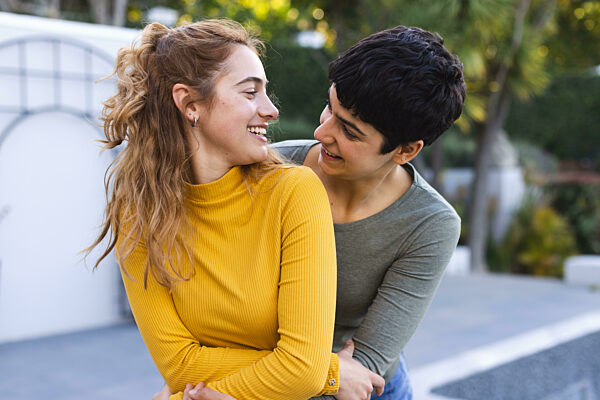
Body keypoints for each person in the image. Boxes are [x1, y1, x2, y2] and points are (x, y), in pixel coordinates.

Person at [87, 19, 383, 400]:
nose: (271, 109)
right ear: (190, 103)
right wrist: (326, 370)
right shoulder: (138, 212)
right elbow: (177, 365)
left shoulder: (294, 193)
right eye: (250, 93)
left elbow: (301, 369)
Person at [177, 25, 466, 400]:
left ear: (405, 151)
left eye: (350, 131)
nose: (322, 131)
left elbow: (365, 366)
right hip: (266, 370)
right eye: (330, 106)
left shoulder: (430, 225)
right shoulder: (270, 166)